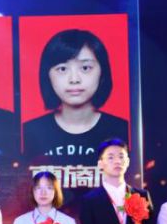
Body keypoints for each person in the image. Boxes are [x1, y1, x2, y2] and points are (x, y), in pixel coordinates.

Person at [23, 29, 129, 163]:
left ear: (102, 72)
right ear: (47, 75)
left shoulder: (123, 129)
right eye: (62, 69)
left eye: (85, 68)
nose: (74, 79)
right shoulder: (30, 131)